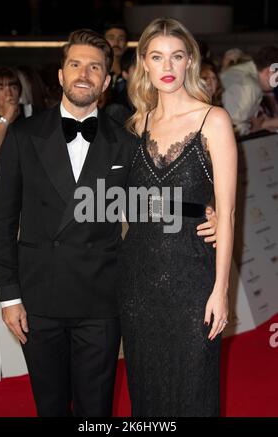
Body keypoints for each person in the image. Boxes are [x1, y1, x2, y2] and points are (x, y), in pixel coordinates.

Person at [0, 28, 218, 417]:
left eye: (95, 67)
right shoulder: (24, 136)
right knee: (50, 406)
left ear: (106, 81)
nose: (84, 74)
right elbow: (3, 220)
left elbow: (145, 200)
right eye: (75, 65)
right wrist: (8, 295)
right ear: (60, 75)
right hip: (38, 296)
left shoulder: (126, 140)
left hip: (102, 300)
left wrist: (200, 211)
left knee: (96, 411)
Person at [118, 18, 237, 417]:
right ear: (144, 65)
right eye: (156, 56)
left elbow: (229, 210)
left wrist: (221, 290)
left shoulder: (213, 120)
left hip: (192, 279)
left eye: (176, 56)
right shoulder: (136, 125)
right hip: (138, 279)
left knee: (194, 389)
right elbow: (127, 204)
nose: (167, 65)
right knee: (145, 391)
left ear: (189, 62)